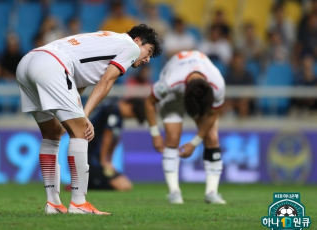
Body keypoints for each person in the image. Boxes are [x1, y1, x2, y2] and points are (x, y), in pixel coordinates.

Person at [16, 24, 161, 214]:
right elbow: (107, 81)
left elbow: (77, 83)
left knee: (51, 134)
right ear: (137, 41)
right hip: (52, 65)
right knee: (81, 133)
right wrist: (85, 115)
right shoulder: (130, 47)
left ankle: (53, 204)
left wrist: (76, 114)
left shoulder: (106, 39)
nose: (147, 59)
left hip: (29, 62)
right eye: (148, 51)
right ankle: (78, 202)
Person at [144, 50, 226, 205]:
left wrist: (195, 142)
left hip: (195, 86)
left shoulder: (217, 84)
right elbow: (149, 102)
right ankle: (174, 192)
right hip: (174, 94)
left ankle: (212, 192)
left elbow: (213, 114)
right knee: (173, 138)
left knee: (212, 137)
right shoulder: (169, 82)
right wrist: (155, 134)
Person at [88, 98, 145, 191]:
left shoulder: (118, 116)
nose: (130, 117)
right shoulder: (112, 110)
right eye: (132, 115)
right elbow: (107, 136)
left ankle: (92, 182)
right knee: (122, 186)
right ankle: (88, 183)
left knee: (126, 185)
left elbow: (114, 139)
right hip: (90, 159)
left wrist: (109, 161)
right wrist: (103, 162)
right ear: (129, 106)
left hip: (97, 160)